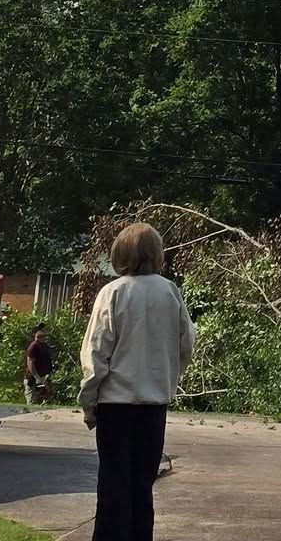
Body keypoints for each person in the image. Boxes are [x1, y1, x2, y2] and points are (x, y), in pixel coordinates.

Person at [79, 222, 196, 541]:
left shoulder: (113, 292)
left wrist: (88, 402)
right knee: (143, 486)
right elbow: (185, 344)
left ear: (121, 254)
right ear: (156, 254)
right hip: (154, 405)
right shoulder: (170, 291)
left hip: (115, 405)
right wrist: (167, 377)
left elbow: (96, 352)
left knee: (114, 485)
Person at [23, 323, 53, 405]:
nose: (43, 331)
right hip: (33, 379)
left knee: (43, 399)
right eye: (41, 330)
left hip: (43, 378)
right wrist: (37, 377)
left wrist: (48, 374)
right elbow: (30, 363)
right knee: (31, 401)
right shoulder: (33, 346)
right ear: (35, 334)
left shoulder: (44, 345)